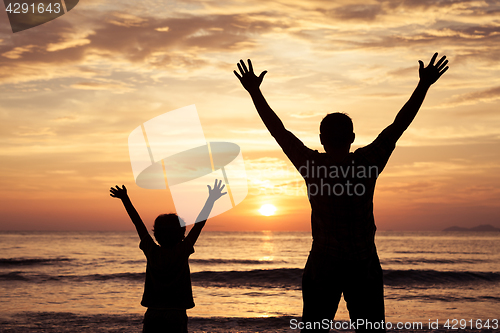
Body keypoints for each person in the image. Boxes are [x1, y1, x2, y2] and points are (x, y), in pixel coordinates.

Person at [234, 54, 449, 332]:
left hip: (324, 264)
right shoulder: (367, 163)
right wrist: (424, 86)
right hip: (363, 264)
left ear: (322, 140)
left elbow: (279, 131)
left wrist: (255, 91)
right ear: (352, 138)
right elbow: (398, 126)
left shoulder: (312, 165)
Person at [110, 179, 227, 333]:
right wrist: (211, 199)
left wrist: (125, 199)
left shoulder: (151, 250)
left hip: (153, 311)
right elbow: (199, 225)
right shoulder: (183, 250)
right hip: (176, 312)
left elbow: (137, 223)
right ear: (182, 234)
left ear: (156, 234)